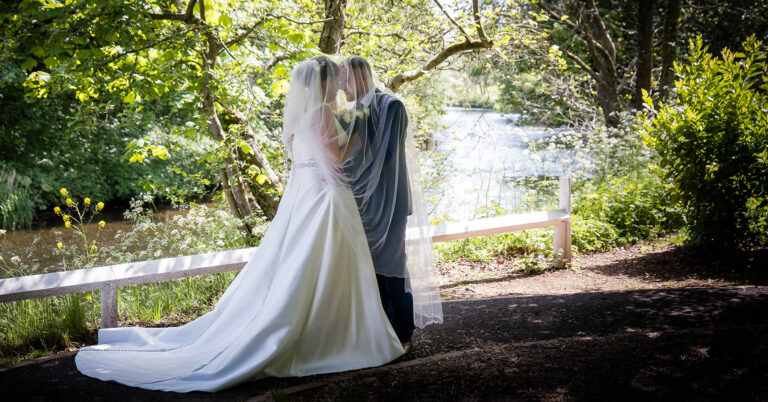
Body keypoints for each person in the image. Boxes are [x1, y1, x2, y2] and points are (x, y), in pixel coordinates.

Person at [74, 56, 405, 393]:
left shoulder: (299, 117)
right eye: (335, 79)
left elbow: (303, 162)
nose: (339, 85)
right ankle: (338, 336)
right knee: (326, 266)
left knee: (304, 268)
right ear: (324, 82)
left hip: (304, 198)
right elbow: (333, 162)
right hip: (325, 199)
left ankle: (322, 327)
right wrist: (356, 140)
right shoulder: (322, 112)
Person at [339, 56, 443, 351]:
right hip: (361, 204)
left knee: (393, 267)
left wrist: (343, 171)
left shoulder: (392, 106)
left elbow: (383, 156)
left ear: (361, 76)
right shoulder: (349, 112)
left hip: (391, 202)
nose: (341, 89)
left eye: (344, 81)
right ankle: (381, 331)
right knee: (370, 270)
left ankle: (404, 333)